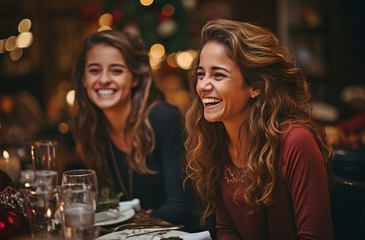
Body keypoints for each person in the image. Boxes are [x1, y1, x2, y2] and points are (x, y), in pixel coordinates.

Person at [184, 19, 334, 239]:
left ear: (255, 85)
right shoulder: (215, 139)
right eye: (201, 74)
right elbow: (227, 229)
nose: (203, 86)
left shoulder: (296, 142)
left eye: (218, 75)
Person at [71, 29, 199, 231]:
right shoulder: (91, 129)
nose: (103, 79)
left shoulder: (163, 118)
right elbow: (108, 205)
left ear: (135, 78)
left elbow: (180, 207)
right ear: (84, 80)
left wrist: (125, 226)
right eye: (94, 70)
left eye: (116, 70)